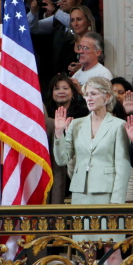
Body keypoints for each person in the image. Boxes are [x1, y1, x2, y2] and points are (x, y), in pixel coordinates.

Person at [53, 77, 131, 265]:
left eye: (94, 94)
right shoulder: (76, 124)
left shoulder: (117, 125)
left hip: (109, 196)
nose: (89, 98)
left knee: (113, 252)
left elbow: (123, 164)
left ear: (107, 97)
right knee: (87, 253)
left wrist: (117, 202)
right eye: (86, 94)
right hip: (82, 194)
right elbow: (62, 159)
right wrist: (58, 133)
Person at [44, 74, 89, 204]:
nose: (61, 92)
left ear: (72, 92)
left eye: (65, 88)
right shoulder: (45, 114)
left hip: (74, 164)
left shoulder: (83, 113)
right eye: (57, 88)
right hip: (51, 164)